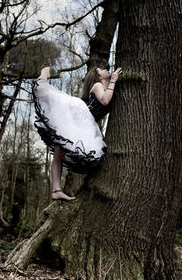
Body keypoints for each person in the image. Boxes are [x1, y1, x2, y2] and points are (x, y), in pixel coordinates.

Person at [33, 66, 122, 201]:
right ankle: (43, 74)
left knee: (59, 152)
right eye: (102, 70)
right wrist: (114, 80)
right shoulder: (98, 85)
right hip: (78, 116)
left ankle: (56, 190)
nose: (105, 69)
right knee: (43, 91)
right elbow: (104, 100)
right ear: (99, 77)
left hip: (84, 125)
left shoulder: (104, 86)